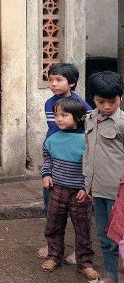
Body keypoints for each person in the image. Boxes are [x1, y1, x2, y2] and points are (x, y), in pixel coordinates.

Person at [37, 63, 92, 263]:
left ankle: (80, 251)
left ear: (72, 82)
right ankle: (52, 245)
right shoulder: (49, 103)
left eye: (59, 80)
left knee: (80, 216)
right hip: (54, 159)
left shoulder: (80, 104)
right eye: (50, 79)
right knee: (51, 208)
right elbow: (53, 130)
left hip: (74, 165)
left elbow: (88, 130)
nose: (53, 83)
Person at [40, 98, 99, 280]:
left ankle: (85, 262)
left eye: (64, 115)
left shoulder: (87, 141)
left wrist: (86, 188)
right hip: (57, 190)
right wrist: (46, 175)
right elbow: (47, 159)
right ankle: (54, 256)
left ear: (78, 117)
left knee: (83, 228)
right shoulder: (52, 139)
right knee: (53, 224)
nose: (59, 119)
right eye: (56, 115)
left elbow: (92, 167)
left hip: (80, 194)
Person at [83, 71, 124, 283]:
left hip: (118, 192)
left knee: (119, 238)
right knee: (103, 236)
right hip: (97, 189)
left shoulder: (122, 123)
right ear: (93, 99)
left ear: (121, 98)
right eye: (101, 102)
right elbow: (87, 152)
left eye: (112, 101)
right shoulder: (89, 119)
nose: (107, 106)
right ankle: (110, 277)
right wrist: (86, 184)